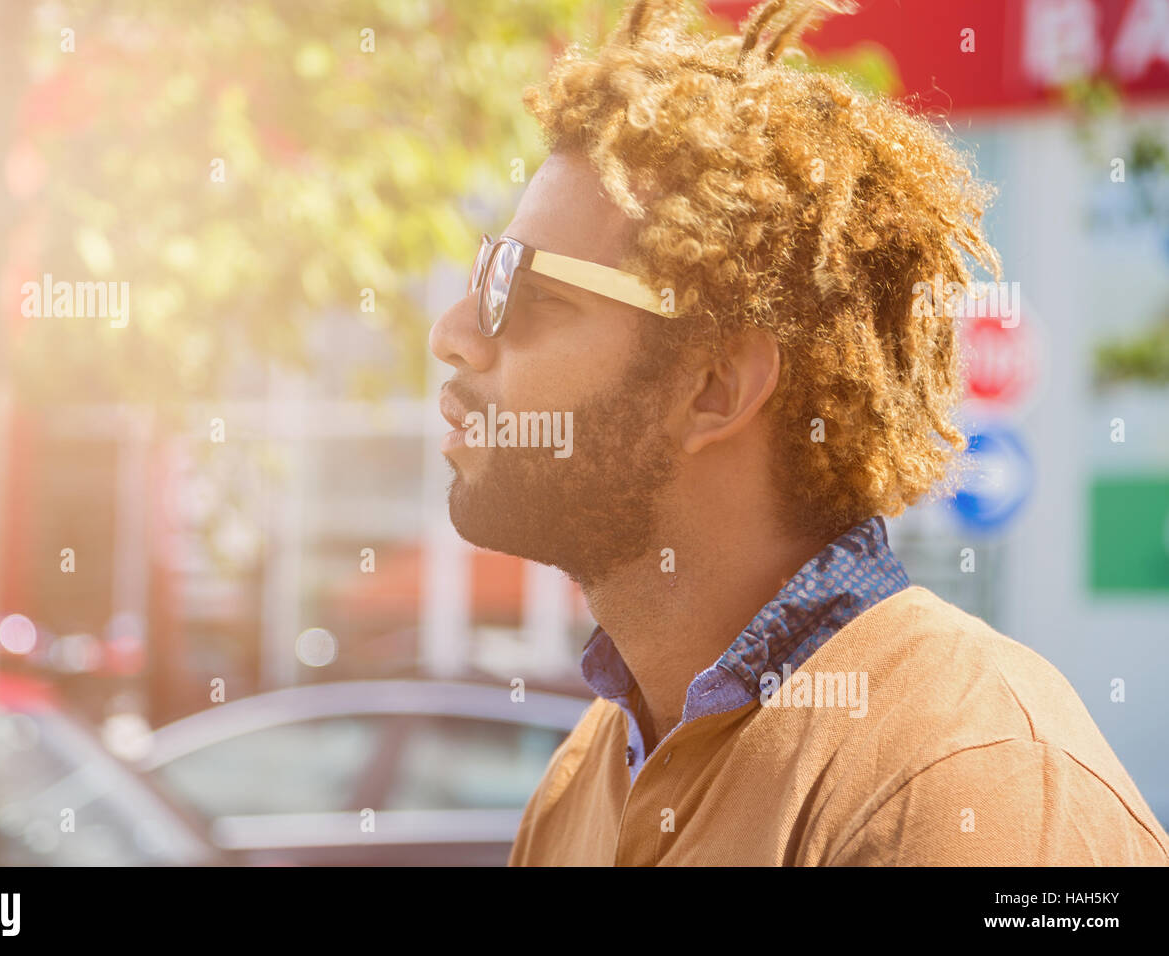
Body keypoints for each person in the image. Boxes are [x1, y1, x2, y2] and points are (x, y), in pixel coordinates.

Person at [428, 0, 1169, 865]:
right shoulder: (586, 775)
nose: (454, 330)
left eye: (527, 288)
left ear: (715, 386)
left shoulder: (973, 784)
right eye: (484, 271)